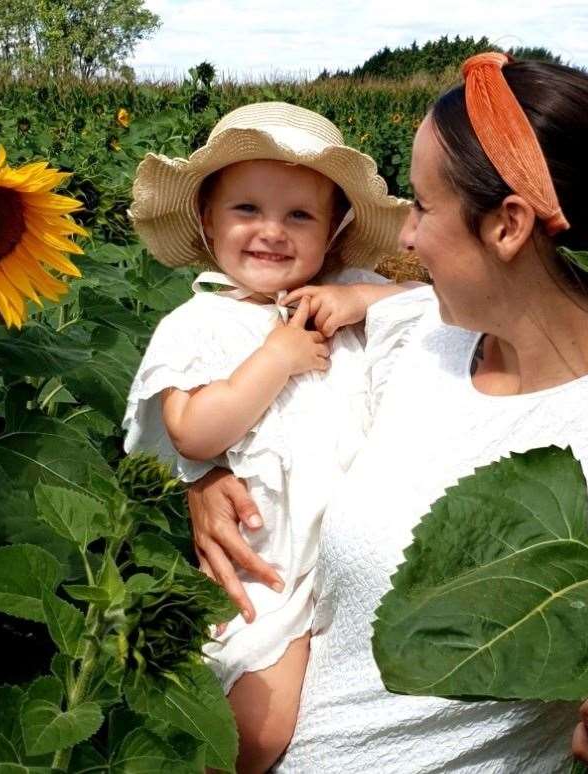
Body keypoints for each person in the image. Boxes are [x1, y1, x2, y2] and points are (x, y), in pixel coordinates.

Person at [186, 56, 588, 772]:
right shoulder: (416, 340)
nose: (405, 237)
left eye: (424, 207)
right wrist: (209, 479)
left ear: (507, 225)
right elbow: (268, 419)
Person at [122, 102, 411, 773]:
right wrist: (275, 359)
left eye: (299, 216)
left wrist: (365, 303)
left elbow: (440, 314)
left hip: (369, 549)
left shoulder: (351, 293)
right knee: (256, 732)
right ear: (206, 221)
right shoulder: (197, 324)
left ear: (335, 229)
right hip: (269, 558)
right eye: (246, 210)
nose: (270, 232)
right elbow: (193, 432)